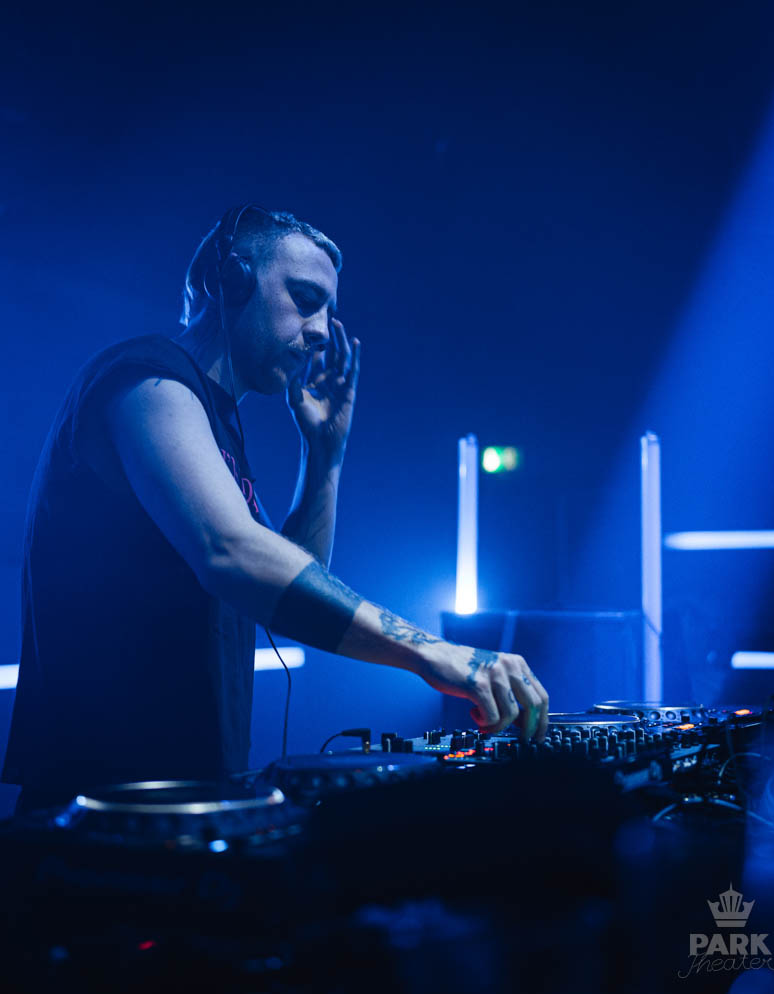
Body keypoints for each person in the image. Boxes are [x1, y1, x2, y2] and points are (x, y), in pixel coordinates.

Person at [2, 205, 548, 813]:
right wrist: (434, 651)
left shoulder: (216, 427)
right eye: (305, 300)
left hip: (185, 800)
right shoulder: (146, 379)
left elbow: (288, 591)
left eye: (328, 312)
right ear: (230, 280)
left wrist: (324, 458)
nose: (321, 332)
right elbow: (232, 553)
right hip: (96, 812)